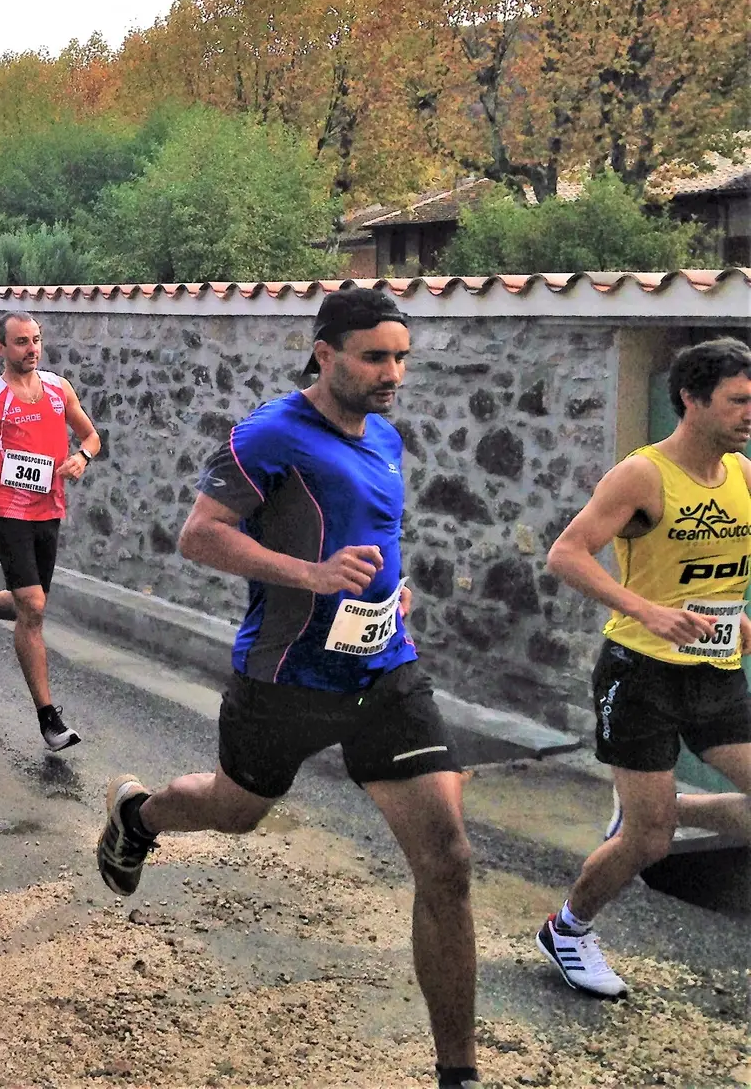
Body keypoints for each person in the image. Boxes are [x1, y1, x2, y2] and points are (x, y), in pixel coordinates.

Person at [94, 287, 478, 1089]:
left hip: (383, 670)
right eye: (375, 356)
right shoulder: (268, 435)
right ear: (325, 351)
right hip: (285, 675)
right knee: (235, 812)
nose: (392, 373)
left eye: (401, 357)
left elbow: (372, 537)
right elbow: (199, 536)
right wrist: (309, 573)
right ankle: (141, 814)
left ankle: (457, 1072)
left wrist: (391, 593)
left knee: (447, 861)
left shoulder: (386, 438)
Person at [536, 337, 751, 1000]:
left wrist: (737, 618)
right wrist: (646, 610)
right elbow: (566, 555)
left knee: (654, 820)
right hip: (641, 674)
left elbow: (723, 567)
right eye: (739, 401)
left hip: (717, 669)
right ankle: (567, 931)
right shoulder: (643, 475)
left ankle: (656, 808)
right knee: (651, 841)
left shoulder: (743, 473)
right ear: (692, 400)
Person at [0, 311, 97, 751]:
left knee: (25, 604)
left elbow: (91, 436)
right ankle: (48, 718)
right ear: (1, 348)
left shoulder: (58, 388)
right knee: (32, 606)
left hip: (48, 510)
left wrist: (82, 459)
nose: (31, 349)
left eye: (35, 340)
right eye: (20, 342)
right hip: (7, 509)